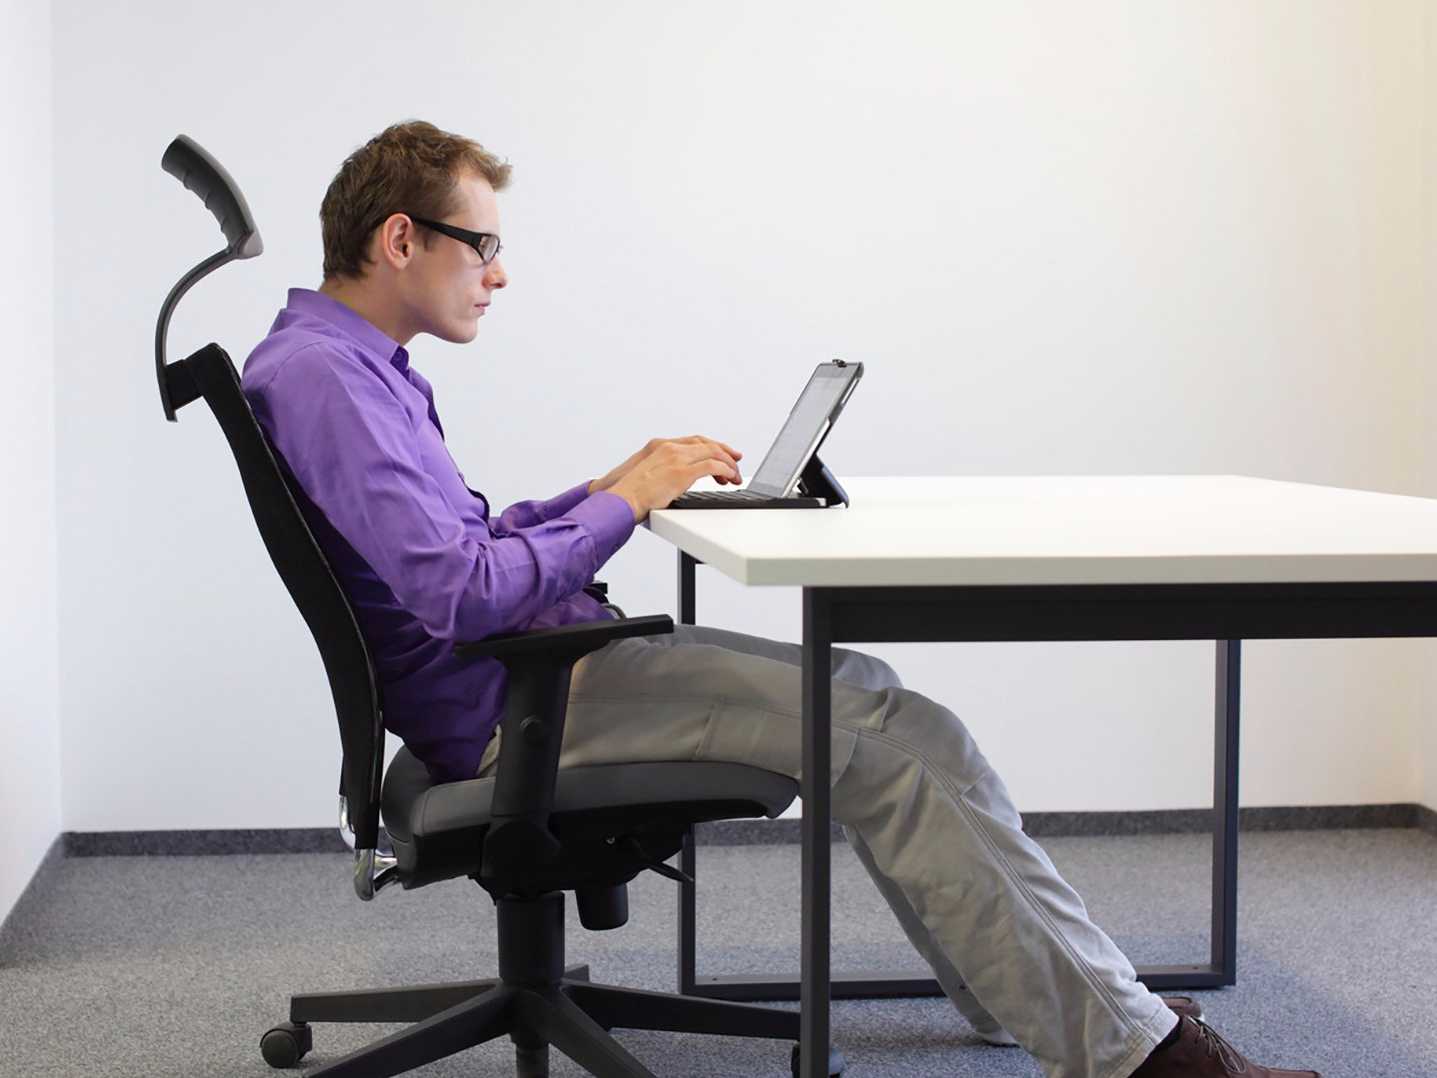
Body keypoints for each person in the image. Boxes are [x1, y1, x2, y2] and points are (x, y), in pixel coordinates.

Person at [241, 120, 1318, 1078]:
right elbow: (465, 595)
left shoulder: (341, 361)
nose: (499, 274)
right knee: (892, 738)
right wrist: (628, 503)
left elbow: (456, 547)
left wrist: (613, 483)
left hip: (525, 676)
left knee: (879, 698)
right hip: (509, 705)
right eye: (483, 245)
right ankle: (1135, 1058)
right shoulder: (330, 379)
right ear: (399, 241)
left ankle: (1046, 1004)